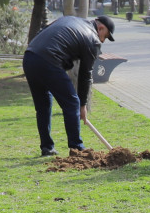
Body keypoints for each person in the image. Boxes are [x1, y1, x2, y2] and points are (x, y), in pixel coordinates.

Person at [22, 13, 114, 156]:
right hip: (49, 60)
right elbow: (86, 75)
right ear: (101, 28)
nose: (103, 40)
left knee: (43, 105)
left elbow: (45, 33)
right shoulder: (93, 38)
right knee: (72, 103)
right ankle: (76, 148)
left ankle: (47, 147)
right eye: (106, 37)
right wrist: (82, 105)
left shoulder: (72, 19)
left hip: (30, 57)